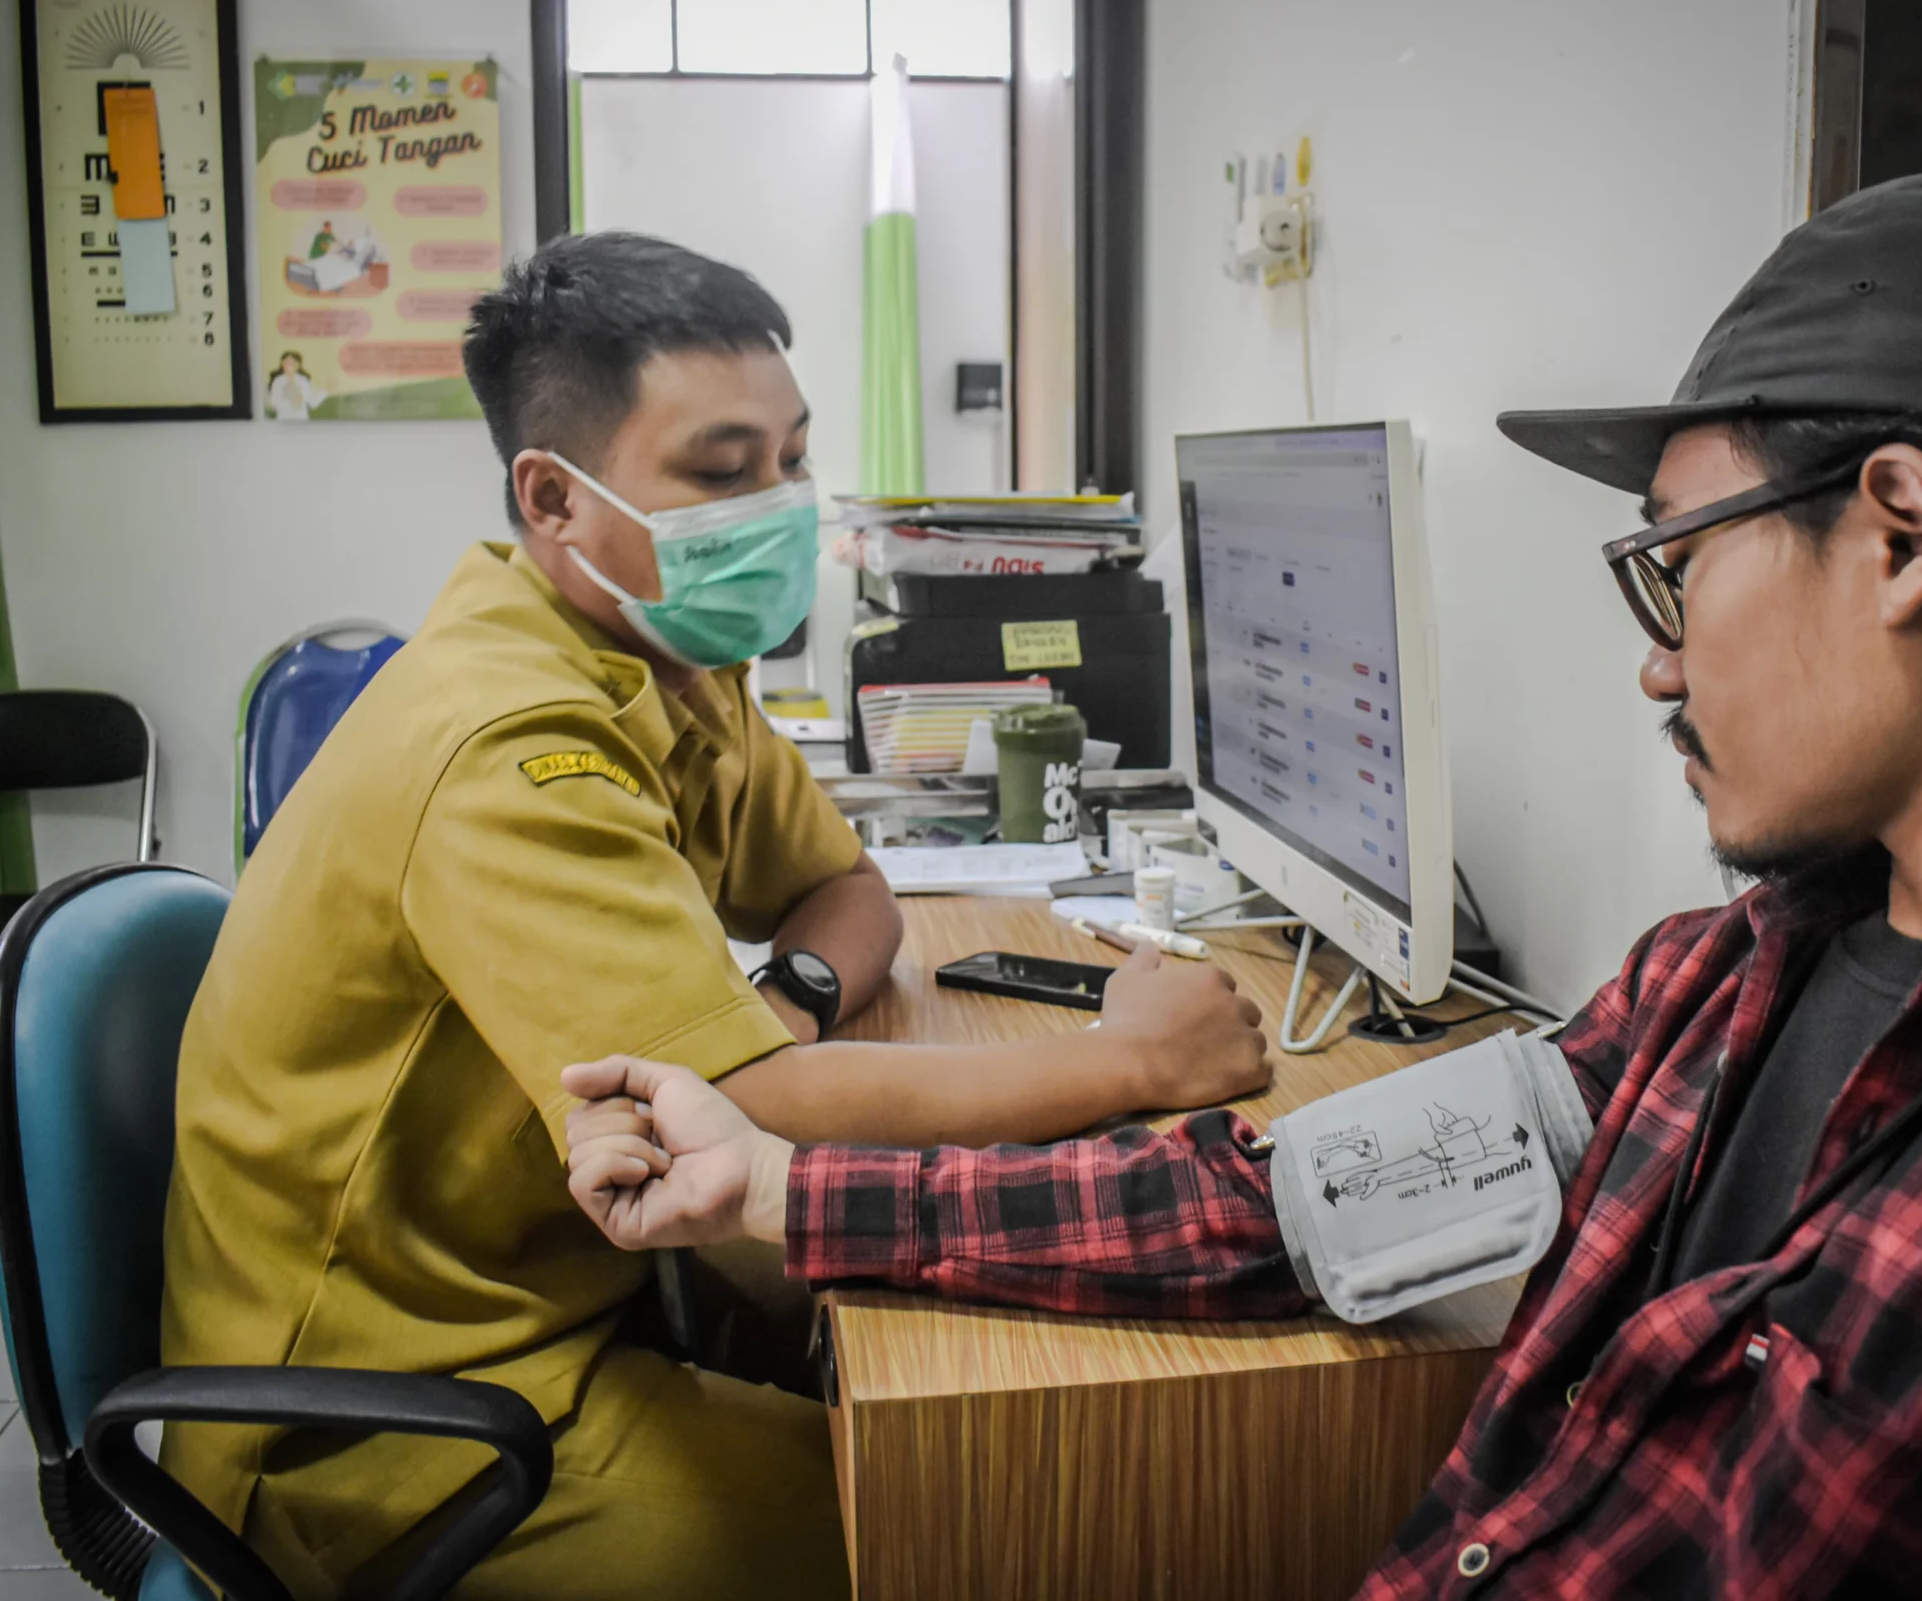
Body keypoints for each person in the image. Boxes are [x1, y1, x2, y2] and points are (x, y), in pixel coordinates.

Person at [565, 174, 1922, 1597]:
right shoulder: (1722, 980)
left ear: (1905, 534)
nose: (1660, 665)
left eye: (1674, 566)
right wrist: (788, 1193)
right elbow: (1293, 1205)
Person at [158, 231, 1269, 1601]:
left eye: (791, 459)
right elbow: (755, 1101)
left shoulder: (666, 654)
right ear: (554, 498)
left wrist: (789, 996)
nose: (780, 506)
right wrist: (1139, 1063)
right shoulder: (508, 745)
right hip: (384, 1427)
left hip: (570, 1294)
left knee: (975, 1394)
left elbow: (844, 892)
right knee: (963, 1517)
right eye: (721, 471)